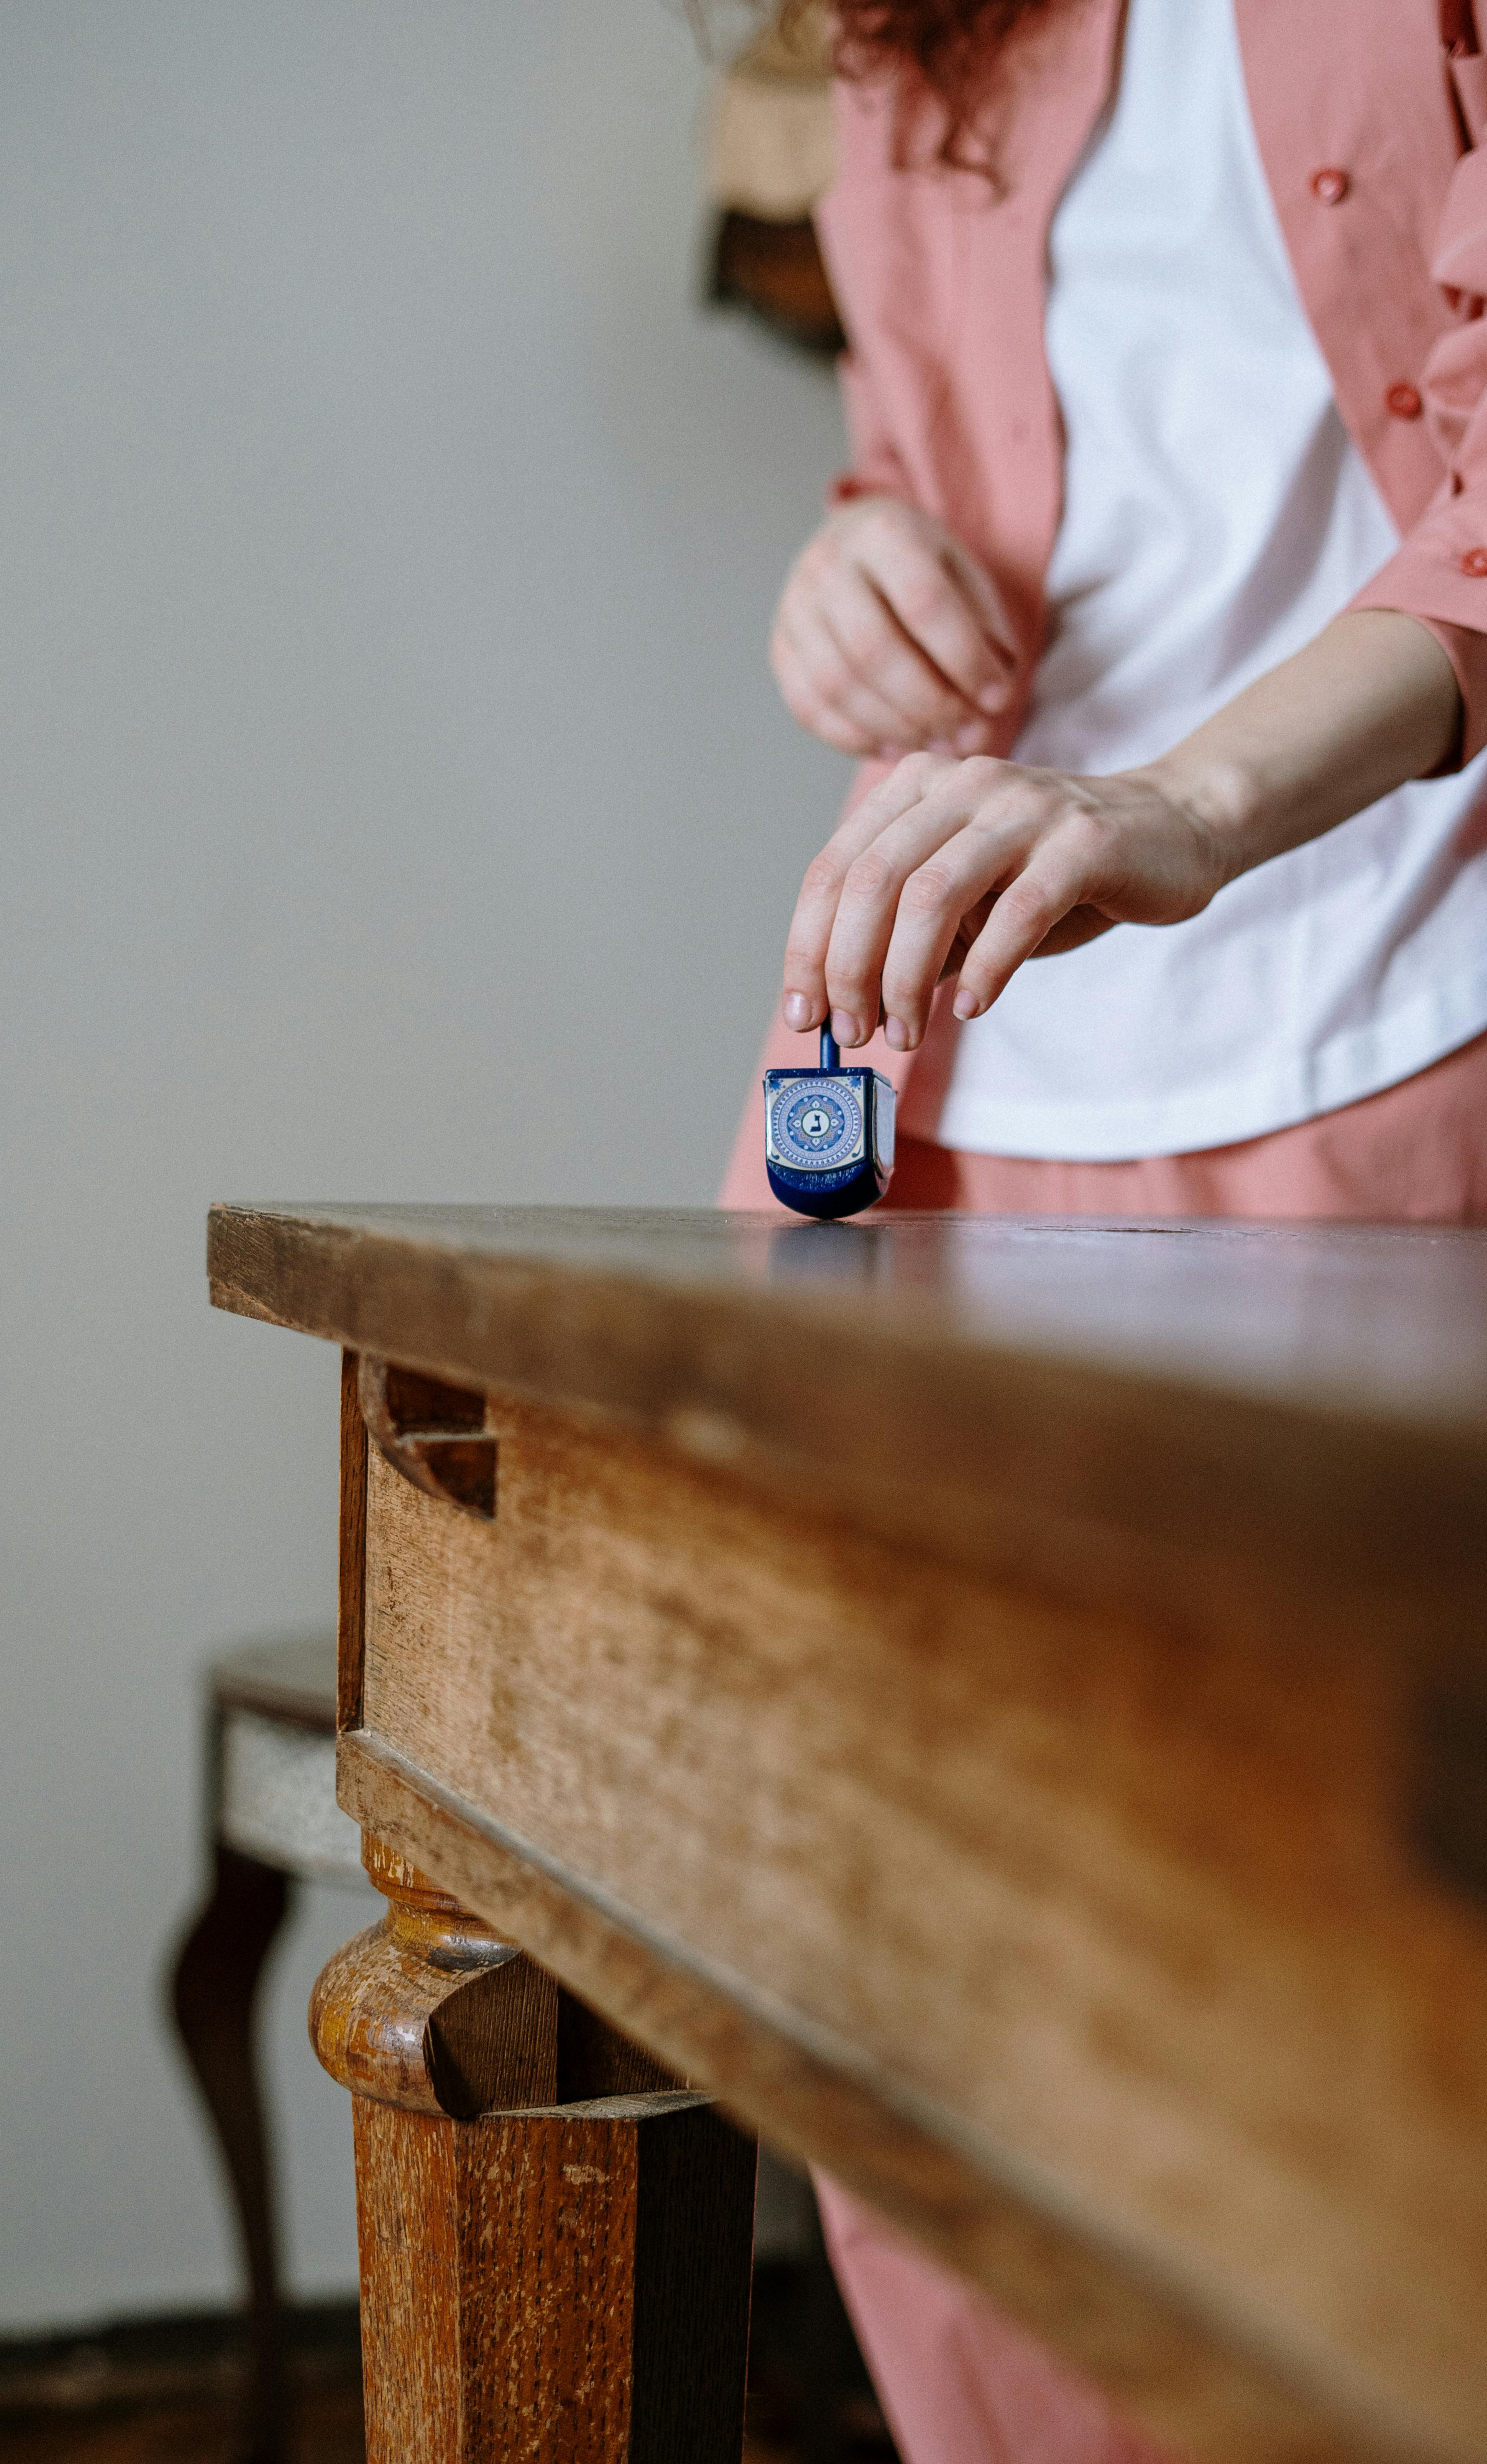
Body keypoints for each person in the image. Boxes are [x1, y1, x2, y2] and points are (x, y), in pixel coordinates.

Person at [720, 0, 1487, 2451]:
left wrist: (1179, 810)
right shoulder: (902, 28)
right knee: (911, 2009)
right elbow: (926, 444)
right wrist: (852, 558)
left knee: (1342, 2045)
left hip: (1389, 1039)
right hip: (946, 1074)